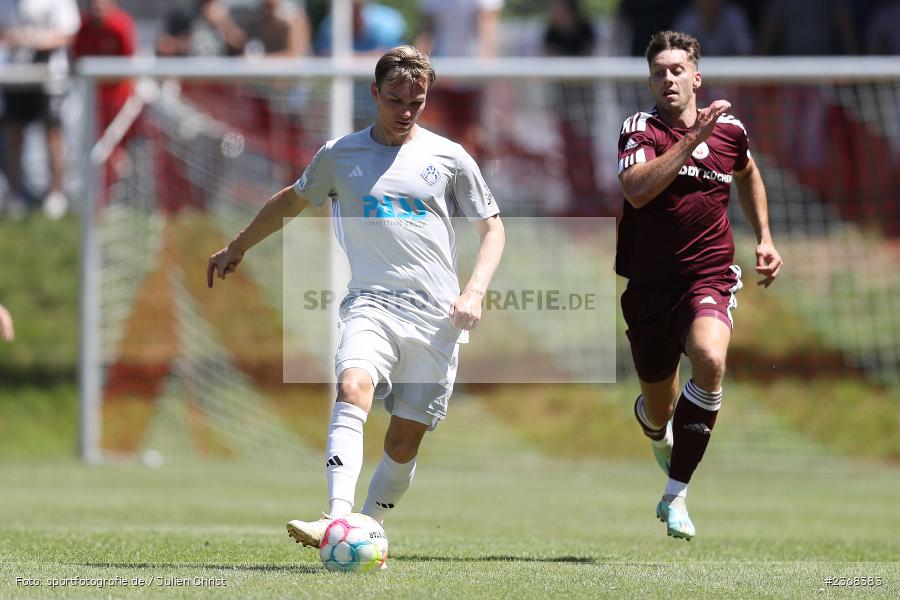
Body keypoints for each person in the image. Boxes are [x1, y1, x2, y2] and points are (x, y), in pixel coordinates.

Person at [206, 45, 505, 548]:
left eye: (416, 102)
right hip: (372, 304)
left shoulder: (449, 156)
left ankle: (366, 526)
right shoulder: (339, 155)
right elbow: (290, 201)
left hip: (438, 318)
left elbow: (492, 228)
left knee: (404, 440)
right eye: (395, 101)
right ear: (374, 94)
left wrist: (474, 292)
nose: (406, 112)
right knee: (352, 387)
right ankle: (336, 519)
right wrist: (238, 246)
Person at [615, 30, 783, 540]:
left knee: (710, 359)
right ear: (650, 82)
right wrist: (691, 140)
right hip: (649, 288)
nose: (668, 78)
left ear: (696, 77)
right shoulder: (640, 129)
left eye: (677, 70)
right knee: (659, 411)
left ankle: (676, 494)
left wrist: (765, 237)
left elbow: (747, 172)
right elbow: (635, 190)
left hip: (708, 276)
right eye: (658, 72)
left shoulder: (729, 130)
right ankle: (653, 424)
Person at [0, 0, 80, 219]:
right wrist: (16, 38)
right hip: (15, 76)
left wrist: (36, 40)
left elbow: (68, 33)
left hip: (50, 77)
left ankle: (56, 194)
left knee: (52, 133)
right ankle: (15, 195)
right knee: (13, 133)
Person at [415, 0, 503, 156]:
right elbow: (428, 33)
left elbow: (487, 27)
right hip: (441, 75)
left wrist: (486, 71)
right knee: (442, 133)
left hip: (473, 76)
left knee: (475, 136)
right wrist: (417, 65)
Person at [543, 0, 599, 213]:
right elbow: (548, 58)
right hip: (562, 98)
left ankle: (590, 194)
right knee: (567, 147)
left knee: (586, 146)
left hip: (584, 98)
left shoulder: (585, 29)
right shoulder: (551, 33)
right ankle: (573, 196)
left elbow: (588, 59)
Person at [155, 0, 246, 57]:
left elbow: (240, 46)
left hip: (223, 78)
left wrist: (223, 23)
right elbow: (162, 46)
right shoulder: (183, 11)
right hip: (191, 77)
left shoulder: (229, 11)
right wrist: (180, 44)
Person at [672, 0, 753, 56]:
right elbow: (679, 56)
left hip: (731, 73)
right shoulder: (686, 21)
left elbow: (745, 54)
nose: (710, 2)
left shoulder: (735, 19)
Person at [243, 0, 310, 58]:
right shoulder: (256, 17)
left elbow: (295, 54)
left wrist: (261, 58)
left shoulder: (294, 16)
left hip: (294, 68)